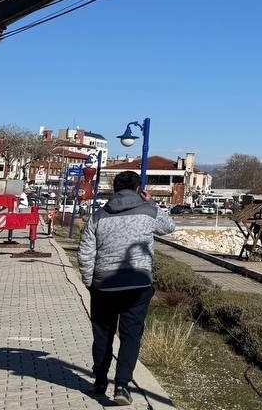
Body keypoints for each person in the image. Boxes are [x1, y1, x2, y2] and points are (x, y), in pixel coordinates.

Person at [78, 171, 175, 406]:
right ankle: (122, 385)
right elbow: (169, 226)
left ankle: (100, 381)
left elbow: (85, 253)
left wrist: (91, 281)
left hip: (105, 285)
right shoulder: (148, 211)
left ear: (114, 189)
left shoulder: (98, 216)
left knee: (102, 335)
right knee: (131, 336)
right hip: (138, 284)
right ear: (137, 189)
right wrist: (150, 200)